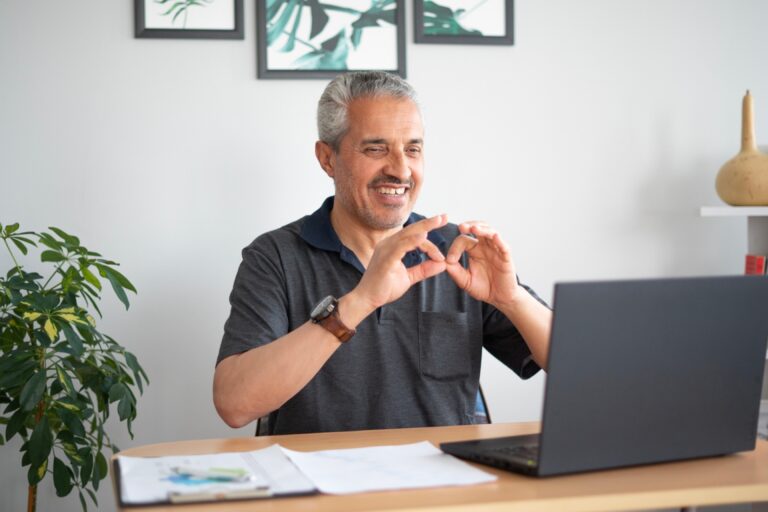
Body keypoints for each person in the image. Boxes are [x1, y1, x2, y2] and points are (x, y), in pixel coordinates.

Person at [213, 71, 552, 434]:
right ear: (327, 158)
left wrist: (512, 299)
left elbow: (583, 369)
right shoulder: (274, 256)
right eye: (376, 149)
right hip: (315, 483)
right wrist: (360, 301)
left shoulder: (459, 251)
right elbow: (235, 405)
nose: (400, 169)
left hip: (441, 482)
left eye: (413, 149)